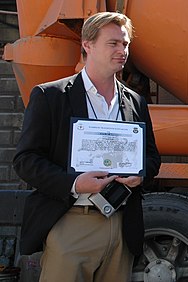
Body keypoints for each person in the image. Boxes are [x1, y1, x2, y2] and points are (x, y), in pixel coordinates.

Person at [13, 12, 161, 282]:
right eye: (113, 43)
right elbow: (26, 159)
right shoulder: (51, 96)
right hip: (71, 221)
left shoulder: (136, 101)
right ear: (88, 45)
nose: (122, 51)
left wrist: (141, 174)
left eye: (125, 44)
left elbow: (151, 157)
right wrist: (75, 183)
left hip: (121, 225)